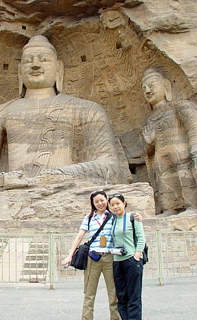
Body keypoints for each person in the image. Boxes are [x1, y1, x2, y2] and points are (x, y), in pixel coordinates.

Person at [0, 35, 131, 191]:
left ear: (59, 68)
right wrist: (5, 180)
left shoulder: (87, 109)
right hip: (13, 189)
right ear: (19, 71)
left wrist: (56, 176)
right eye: (28, 61)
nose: (35, 65)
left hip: (68, 191)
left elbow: (109, 167)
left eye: (44, 59)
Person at [62, 189, 142, 320]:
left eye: (102, 200)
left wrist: (137, 216)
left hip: (111, 258)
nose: (100, 203)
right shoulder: (88, 218)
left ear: (107, 200)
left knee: (114, 293)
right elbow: (79, 237)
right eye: (96, 201)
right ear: (93, 203)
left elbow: (126, 217)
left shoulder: (113, 216)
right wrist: (70, 255)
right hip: (93, 258)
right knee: (89, 293)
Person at [142, 67, 197, 215]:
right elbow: (147, 151)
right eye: (144, 88)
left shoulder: (180, 106)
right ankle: (170, 208)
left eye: (151, 85)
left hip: (181, 151)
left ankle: (192, 206)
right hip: (161, 158)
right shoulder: (150, 119)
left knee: (185, 177)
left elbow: (193, 128)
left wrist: (194, 148)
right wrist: (149, 142)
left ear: (165, 85)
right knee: (164, 181)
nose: (147, 90)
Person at [108, 193, 146, 320]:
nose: (115, 207)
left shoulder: (133, 217)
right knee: (121, 295)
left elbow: (141, 238)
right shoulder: (112, 219)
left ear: (124, 204)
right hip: (117, 261)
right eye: (112, 205)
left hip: (131, 259)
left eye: (118, 203)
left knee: (134, 295)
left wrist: (136, 255)